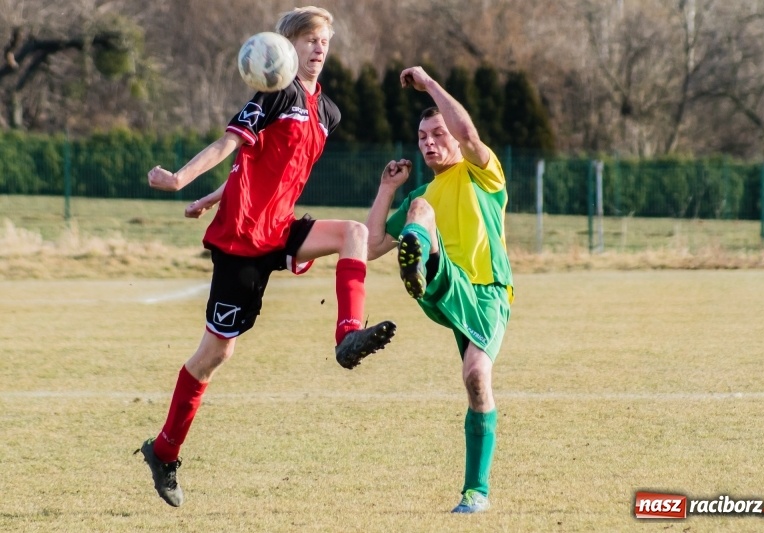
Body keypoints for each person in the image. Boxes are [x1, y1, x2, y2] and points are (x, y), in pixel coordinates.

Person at [136, 6, 396, 508]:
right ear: (285, 48)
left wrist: (214, 194)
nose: (318, 48)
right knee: (215, 354)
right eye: (308, 40)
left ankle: (348, 336)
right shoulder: (276, 95)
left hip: (279, 229)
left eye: (324, 40)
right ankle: (164, 451)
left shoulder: (328, 113)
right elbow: (232, 144)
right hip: (241, 242)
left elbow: (271, 167)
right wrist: (180, 180)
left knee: (355, 233)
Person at [365, 66, 513, 514]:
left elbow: (468, 133)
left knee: (475, 378)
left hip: (487, 294)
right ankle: (421, 261)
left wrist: (429, 84)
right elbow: (371, 246)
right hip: (445, 282)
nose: (428, 142)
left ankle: (476, 492)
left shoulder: (481, 175)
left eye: (436, 133)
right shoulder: (422, 193)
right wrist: (388, 188)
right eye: (421, 136)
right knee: (420, 206)